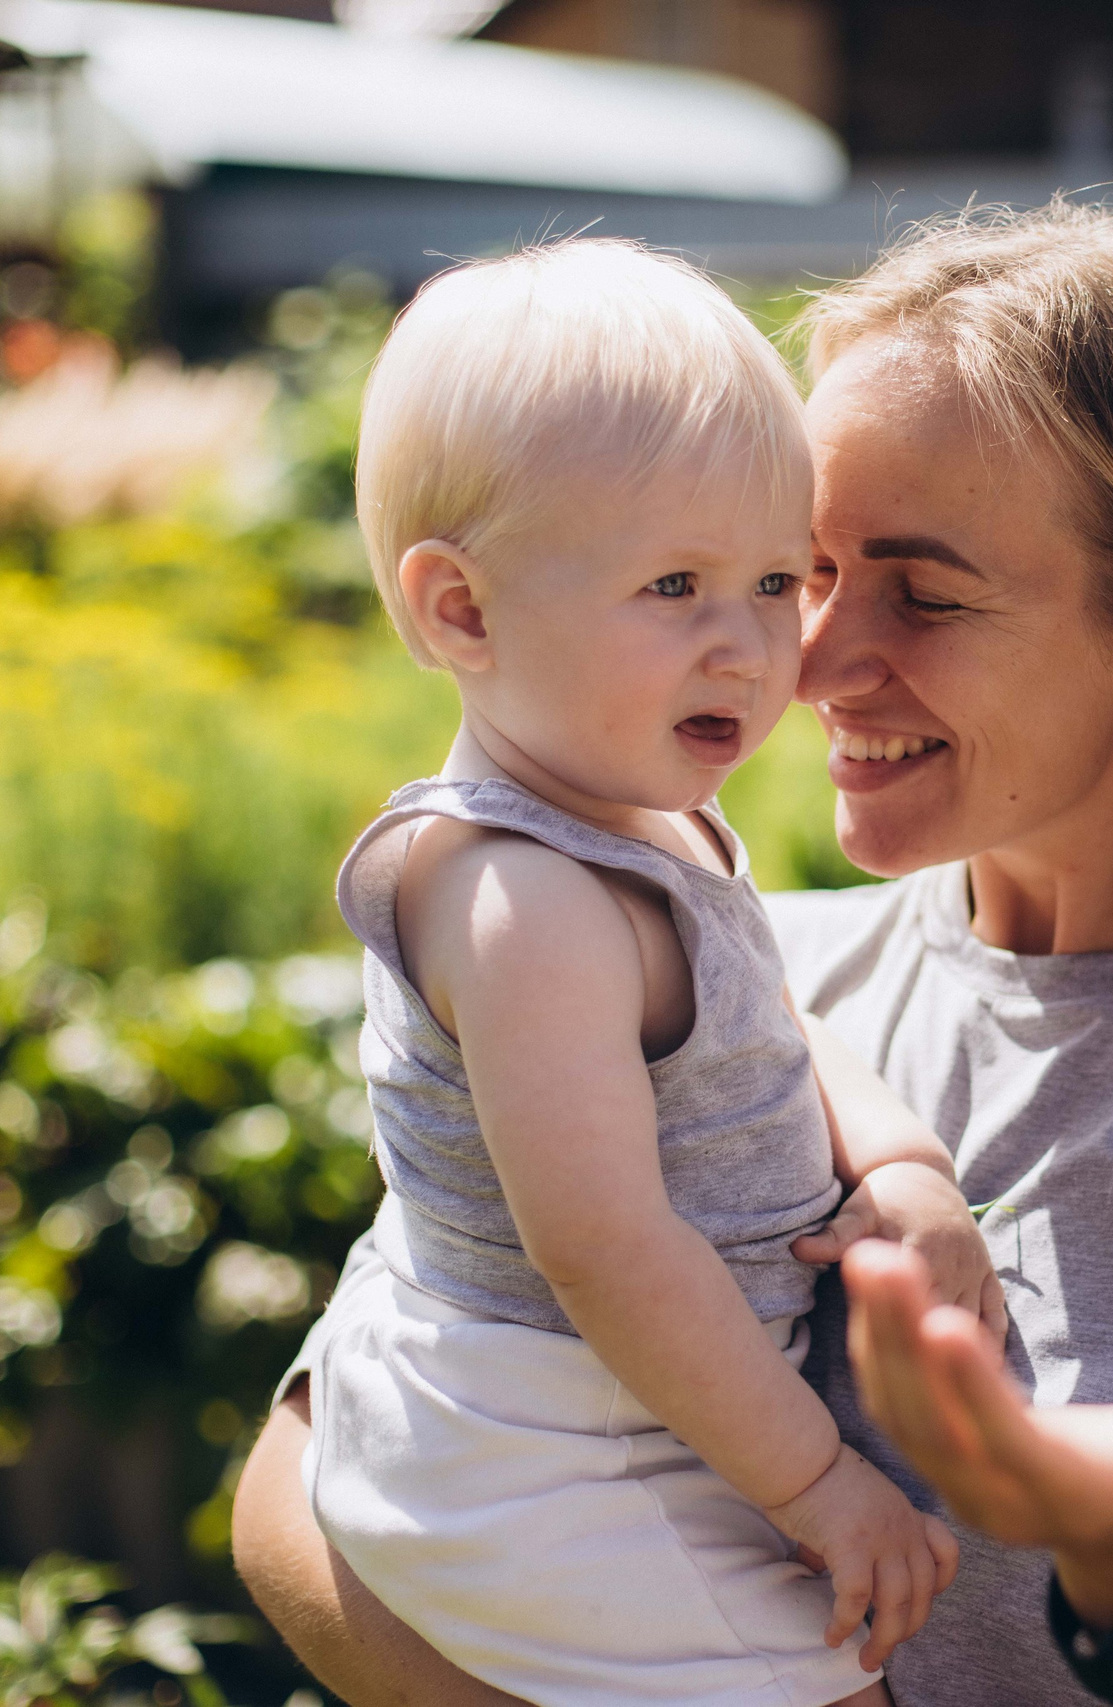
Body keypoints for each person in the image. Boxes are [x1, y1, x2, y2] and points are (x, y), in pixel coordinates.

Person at [237, 204, 1113, 1707]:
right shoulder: (720, 978)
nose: (809, 663)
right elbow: (316, 1458)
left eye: (925, 593)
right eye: (808, 572)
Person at [294, 236, 1007, 1707]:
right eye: (674, 584)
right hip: (564, 1442)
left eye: (770, 579)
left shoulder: (631, 808)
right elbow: (604, 1248)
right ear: (463, 613)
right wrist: (820, 1489)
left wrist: (903, 1162)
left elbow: (770, 1020)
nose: (748, 648)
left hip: (639, 1406)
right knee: (827, 1685)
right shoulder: (521, 900)